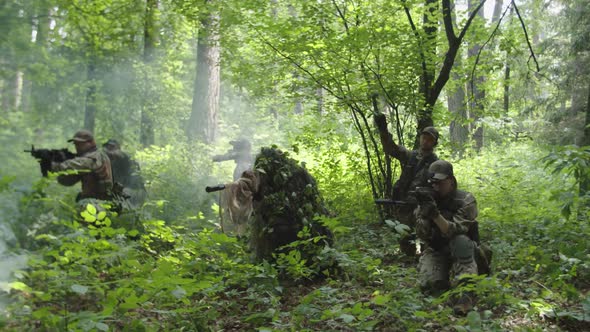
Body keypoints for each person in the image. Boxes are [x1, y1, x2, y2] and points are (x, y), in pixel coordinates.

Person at [217, 147, 333, 278]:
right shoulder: (266, 177)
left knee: (286, 236)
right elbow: (252, 185)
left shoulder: (296, 176)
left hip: (292, 222)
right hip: (284, 222)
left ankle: (290, 267)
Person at [414, 160, 490, 315]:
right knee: (430, 286)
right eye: (433, 183)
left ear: (451, 181)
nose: (436, 186)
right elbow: (422, 234)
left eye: (441, 182)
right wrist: (425, 214)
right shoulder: (428, 200)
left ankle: (467, 292)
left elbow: (454, 231)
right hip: (437, 248)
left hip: (463, 248)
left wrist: (435, 215)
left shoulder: (465, 200)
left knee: (460, 241)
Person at [374, 113, 439, 256]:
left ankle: (426, 258)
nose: (425, 141)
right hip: (404, 203)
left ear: (434, 143)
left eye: (429, 139)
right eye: (424, 137)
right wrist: (383, 130)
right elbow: (391, 149)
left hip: (422, 206)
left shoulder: (436, 164)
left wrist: (422, 199)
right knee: (405, 237)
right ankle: (408, 258)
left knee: (425, 234)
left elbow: (438, 188)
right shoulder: (410, 156)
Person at [51, 129, 113, 205]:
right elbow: (68, 182)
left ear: (91, 142)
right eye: (75, 144)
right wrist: (62, 175)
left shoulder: (97, 155)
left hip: (99, 203)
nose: (77, 147)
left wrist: (57, 166)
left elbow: (84, 163)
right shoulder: (88, 161)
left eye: (80, 144)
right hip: (94, 202)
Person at [103, 139, 146, 207]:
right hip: (122, 191)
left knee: (124, 193)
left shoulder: (126, 159)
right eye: (108, 148)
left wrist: (114, 153)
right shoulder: (110, 163)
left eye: (112, 147)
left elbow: (123, 156)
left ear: (118, 149)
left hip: (135, 191)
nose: (109, 150)